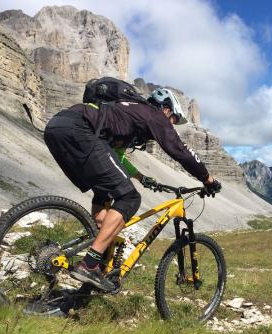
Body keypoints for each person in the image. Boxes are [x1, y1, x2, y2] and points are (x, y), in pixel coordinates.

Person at [43, 79, 222, 291]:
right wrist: (208, 179)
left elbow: (115, 158)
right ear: (166, 109)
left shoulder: (126, 113)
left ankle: (98, 262)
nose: (172, 124)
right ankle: (89, 265)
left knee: (105, 194)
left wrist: (140, 177)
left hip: (57, 128)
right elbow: (179, 150)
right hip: (80, 131)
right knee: (130, 198)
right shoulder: (153, 114)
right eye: (173, 118)